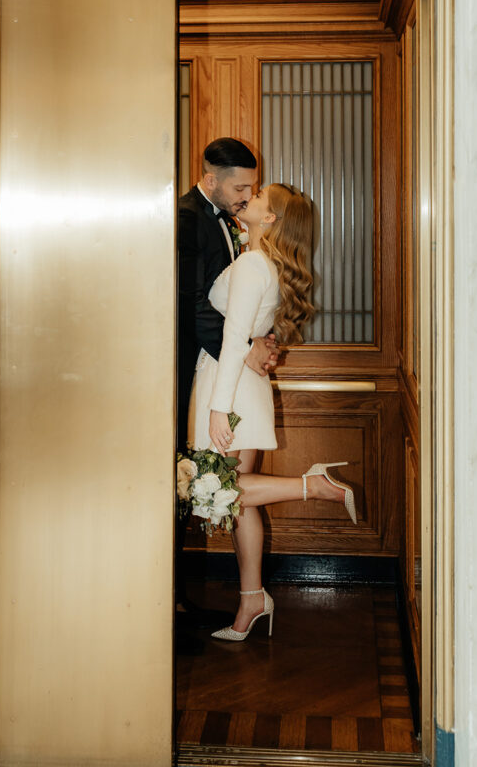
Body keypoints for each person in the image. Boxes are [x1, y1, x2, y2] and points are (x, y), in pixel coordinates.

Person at [188, 182, 357, 642]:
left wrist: (218, 410)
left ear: (271, 219)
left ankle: (314, 486)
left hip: (229, 388)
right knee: (239, 503)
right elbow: (248, 334)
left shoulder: (252, 265)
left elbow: (233, 336)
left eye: (259, 195)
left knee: (217, 491)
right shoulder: (265, 263)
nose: (252, 197)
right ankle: (252, 600)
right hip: (245, 384)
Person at [177, 138, 278, 621]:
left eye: (252, 189)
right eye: (240, 187)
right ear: (211, 179)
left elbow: (243, 301)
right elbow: (193, 305)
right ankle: (241, 600)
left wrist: (258, 341)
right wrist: (248, 346)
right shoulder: (188, 219)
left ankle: (247, 599)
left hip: (227, 375)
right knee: (227, 490)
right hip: (209, 367)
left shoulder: (240, 230)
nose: (246, 195)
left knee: (230, 489)